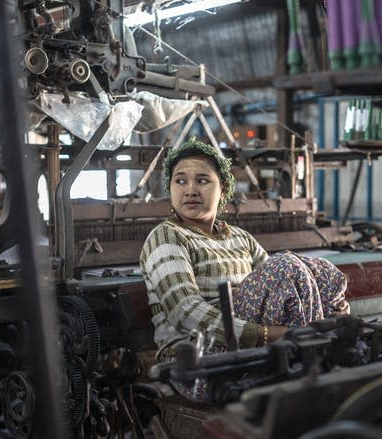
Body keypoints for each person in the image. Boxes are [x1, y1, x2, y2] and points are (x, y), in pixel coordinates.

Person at [139, 139, 348, 401]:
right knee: (286, 265)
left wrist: (334, 305)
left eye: (202, 180)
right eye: (180, 181)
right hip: (199, 366)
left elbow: (287, 285)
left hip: (254, 355)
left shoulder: (240, 238)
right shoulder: (167, 237)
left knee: (317, 270)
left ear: (223, 188)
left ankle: (309, 359)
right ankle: (311, 360)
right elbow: (185, 311)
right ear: (170, 189)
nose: (190, 190)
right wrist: (265, 335)